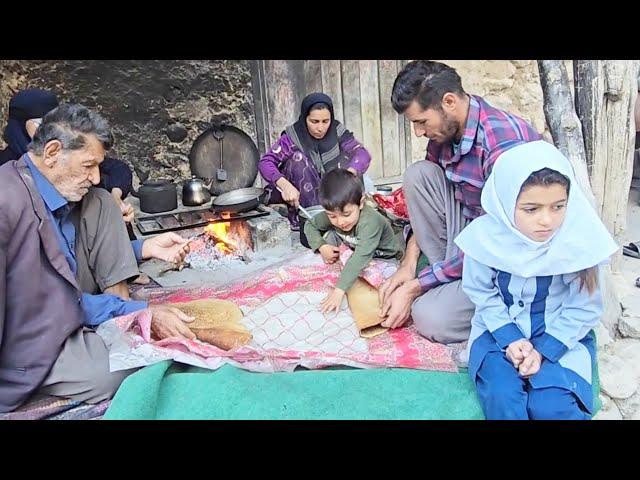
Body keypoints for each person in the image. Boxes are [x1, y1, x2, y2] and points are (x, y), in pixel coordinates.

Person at [0, 103, 197, 413]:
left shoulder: (52, 188)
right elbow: (49, 300)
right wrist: (139, 311)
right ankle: (113, 327)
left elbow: (65, 255)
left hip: (67, 303)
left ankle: (115, 321)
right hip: (33, 335)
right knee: (126, 365)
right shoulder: (7, 200)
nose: (94, 177)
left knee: (102, 200)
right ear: (52, 152)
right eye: (88, 165)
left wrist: (144, 249)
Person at [379, 60, 542, 344]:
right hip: (475, 232)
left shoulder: (501, 144)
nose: (418, 132)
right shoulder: (445, 132)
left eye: (420, 122)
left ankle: (497, 307)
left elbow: (503, 242)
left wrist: (417, 285)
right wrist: (408, 262)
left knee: (429, 317)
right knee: (418, 175)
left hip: (510, 258)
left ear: (449, 101)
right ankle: (450, 281)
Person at [454, 140, 618, 420]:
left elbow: (584, 307)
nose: (547, 220)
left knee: (552, 406)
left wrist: (543, 351)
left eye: (558, 206)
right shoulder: (485, 240)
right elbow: (482, 294)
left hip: (558, 333)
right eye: (531, 209)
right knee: (503, 397)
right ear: (505, 203)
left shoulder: (577, 241)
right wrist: (511, 339)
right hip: (497, 333)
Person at [0, 88, 135, 222]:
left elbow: (118, 169)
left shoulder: (69, 151)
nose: (49, 130)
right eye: (42, 124)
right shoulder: (7, 176)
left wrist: (115, 198)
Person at [258, 92, 372, 230]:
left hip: (330, 194)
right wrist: (285, 185)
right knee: (298, 160)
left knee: (351, 163)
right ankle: (304, 219)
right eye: (314, 122)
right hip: (300, 196)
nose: (320, 128)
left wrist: (349, 174)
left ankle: (338, 215)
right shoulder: (293, 136)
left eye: (325, 121)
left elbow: (362, 154)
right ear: (305, 118)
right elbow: (265, 163)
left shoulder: (337, 131)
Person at [303, 168, 402, 313]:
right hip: (356, 250)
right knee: (328, 237)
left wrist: (339, 290)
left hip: (386, 259)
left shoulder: (370, 221)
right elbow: (309, 225)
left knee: (383, 288)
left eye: (346, 214)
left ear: (361, 203)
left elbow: (360, 257)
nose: (340, 222)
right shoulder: (335, 213)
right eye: (332, 216)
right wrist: (322, 247)